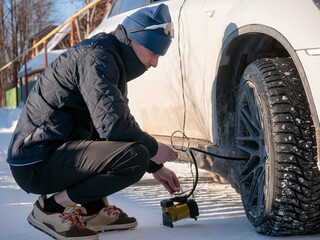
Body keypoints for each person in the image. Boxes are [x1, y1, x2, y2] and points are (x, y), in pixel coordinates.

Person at [7, 4, 180, 240]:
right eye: (153, 52)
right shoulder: (97, 58)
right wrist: (152, 150)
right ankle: (51, 209)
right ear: (136, 40)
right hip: (35, 159)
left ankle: (93, 209)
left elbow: (110, 126)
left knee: (122, 145)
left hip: (53, 151)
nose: (155, 62)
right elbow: (115, 127)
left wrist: (156, 166)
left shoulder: (109, 56)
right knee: (134, 157)